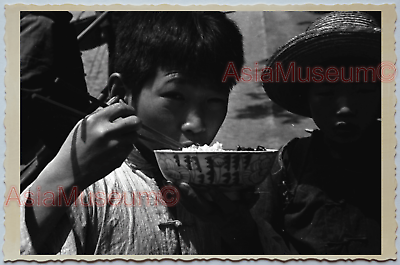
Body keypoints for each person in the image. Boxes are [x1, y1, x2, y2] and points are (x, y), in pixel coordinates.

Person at [20, 11, 265, 255]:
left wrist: (236, 227)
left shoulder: (228, 193)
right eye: (175, 96)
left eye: (214, 100)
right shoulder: (86, 191)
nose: (197, 125)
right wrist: (63, 179)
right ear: (121, 92)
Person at [252, 11, 382, 254]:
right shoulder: (288, 164)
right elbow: (257, 233)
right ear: (307, 99)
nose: (344, 108)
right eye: (325, 94)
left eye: (363, 92)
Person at [20, 11, 92, 189]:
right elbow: (23, 91)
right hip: (52, 143)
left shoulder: (49, 22)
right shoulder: (41, 23)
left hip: (66, 138)